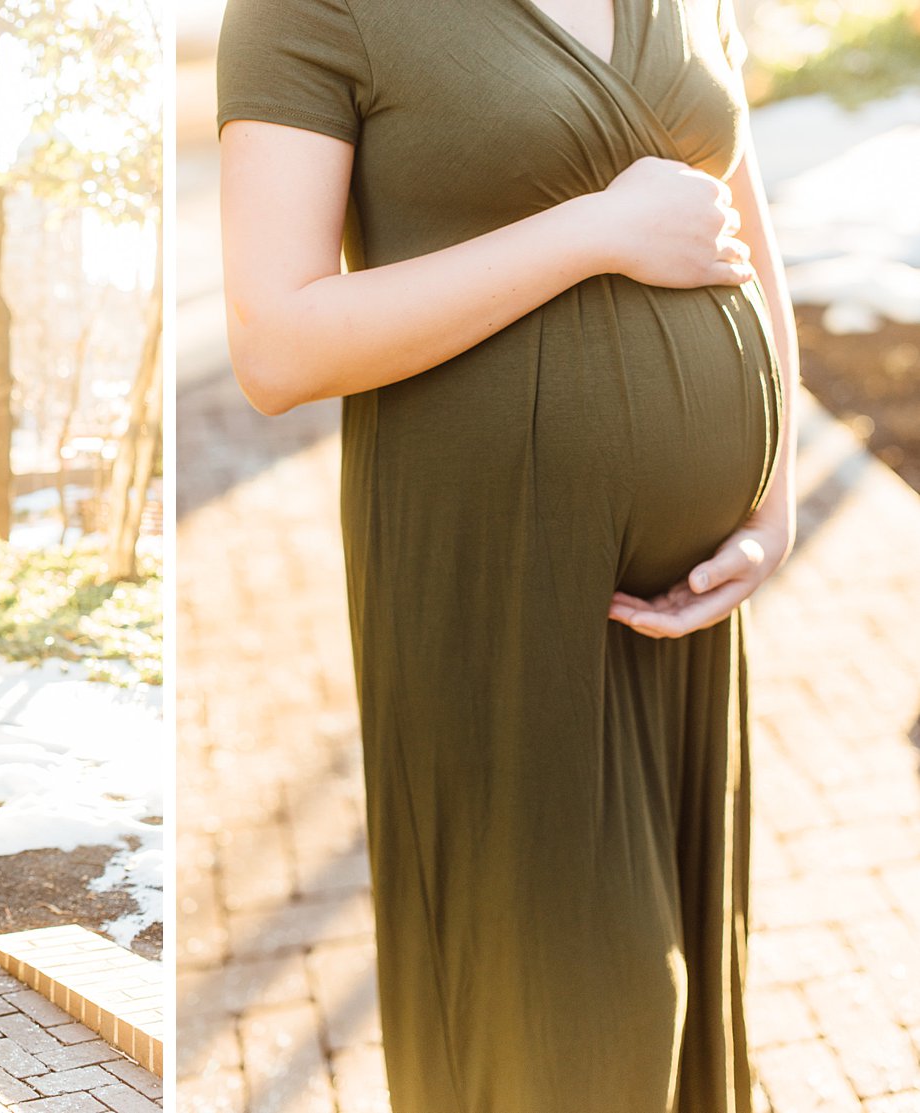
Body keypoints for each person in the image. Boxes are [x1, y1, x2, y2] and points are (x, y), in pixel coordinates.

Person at [217, 0, 796, 1110]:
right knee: (568, 1019)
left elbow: (742, 237)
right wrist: (591, 232)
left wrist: (771, 509)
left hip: (698, 606)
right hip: (496, 581)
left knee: (681, 988)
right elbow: (274, 346)